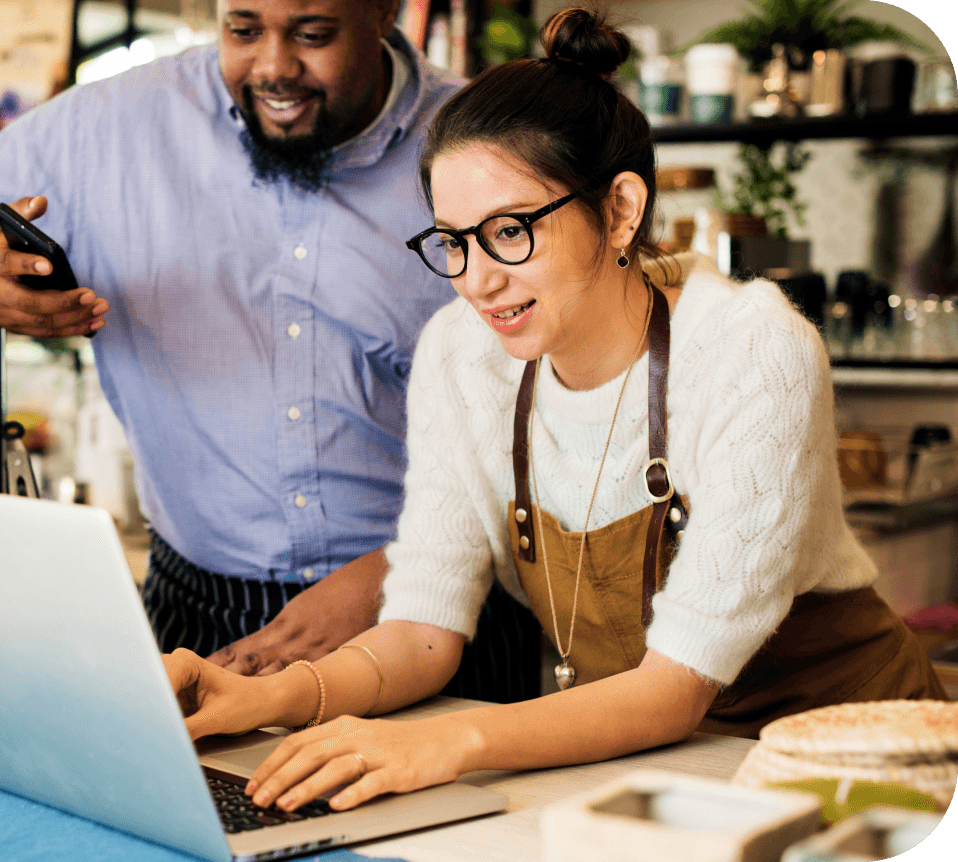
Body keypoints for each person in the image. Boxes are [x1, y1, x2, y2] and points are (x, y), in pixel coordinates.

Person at [162, 7, 948, 816]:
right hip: (659, 773)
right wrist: (270, 697)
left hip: (857, 765)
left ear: (620, 210)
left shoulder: (754, 352)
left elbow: (671, 689)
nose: (476, 280)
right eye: (453, 241)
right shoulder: (460, 355)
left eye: (509, 232)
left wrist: (447, 742)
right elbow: (425, 631)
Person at [0, 0, 542, 698]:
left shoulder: (489, 148)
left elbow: (577, 407)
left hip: (453, 606)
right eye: (243, 30)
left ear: (385, 12)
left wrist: (402, 572)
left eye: (313, 35)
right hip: (206, 621)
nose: (274, 68)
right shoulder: (113, 127)